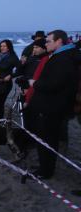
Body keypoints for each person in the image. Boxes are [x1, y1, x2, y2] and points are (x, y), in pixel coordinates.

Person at [29, 30, 81, 179]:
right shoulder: (62, 56)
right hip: (52, 106)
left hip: (52, 107)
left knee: (47, 139)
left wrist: (34, 83)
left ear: (59, 42)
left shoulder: (64, 59)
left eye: (48, 41)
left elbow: (54, 84)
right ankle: (44, 167)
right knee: (46, 139)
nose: (46, 44)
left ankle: (45, 171)